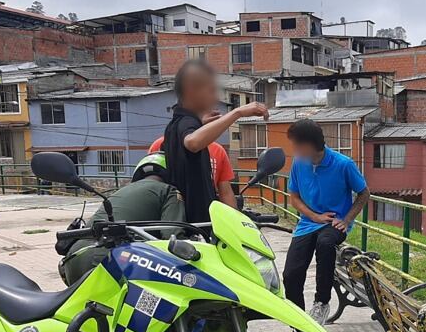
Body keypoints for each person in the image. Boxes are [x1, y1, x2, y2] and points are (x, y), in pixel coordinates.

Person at [282, 119, 370, 332]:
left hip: (334, 223)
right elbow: (294, 196)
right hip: (308, 223)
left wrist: (347, 219)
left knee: (325, 243)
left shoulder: (343, 164)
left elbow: (363, 193)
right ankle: (300, 329)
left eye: (297, 146)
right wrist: (313, 215)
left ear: (310, 145)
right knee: (290, 275)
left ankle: (321, 303)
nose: (294, 151)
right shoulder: (299, 163)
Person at [164, 59, 268, 222]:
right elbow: (192, 142)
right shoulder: (186, 122)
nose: (215, 97)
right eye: (211, 90)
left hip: (184, 222)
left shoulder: (174, 126)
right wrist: (237, 113)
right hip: (198, 225)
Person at [58, 153, 185, 285]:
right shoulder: (168, 190)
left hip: (73, 258)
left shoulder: (120, 191)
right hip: (109, 258)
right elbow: (172, 236)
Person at [149, 136, 237, 208]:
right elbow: (148, 184)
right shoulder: (160, 145)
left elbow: (226, 193)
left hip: (203, 212)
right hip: (167, 210)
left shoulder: (217, 150)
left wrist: (235, 221)